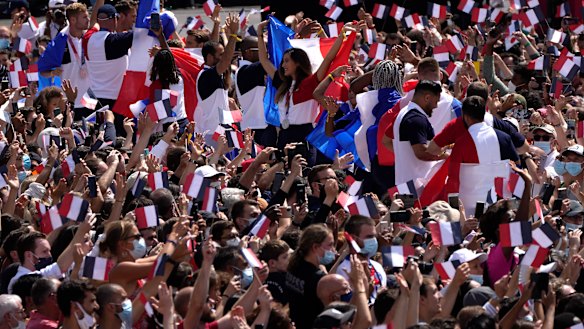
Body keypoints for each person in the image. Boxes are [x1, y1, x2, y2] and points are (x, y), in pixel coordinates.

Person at [257, 20, 354, 164]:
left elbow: (328, 59)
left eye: (286, 61)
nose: (283, 65)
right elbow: (264, 60)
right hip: (283, 136)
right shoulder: (283, 83)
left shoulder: (310, 83)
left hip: (305, 137)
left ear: (298, 63)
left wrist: (341, 36)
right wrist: (259, 34)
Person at [444, 96, 519, 216]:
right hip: (501, 209)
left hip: (469, 213)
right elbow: (516, 168)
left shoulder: (461, 143)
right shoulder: (504, 138)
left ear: (465, 116)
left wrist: (454, 211)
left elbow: (453, 179)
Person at [82, 2, 134, 133]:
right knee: (118, 142)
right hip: (115, 102)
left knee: (96, 140)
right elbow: (141, 34)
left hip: (93, 101)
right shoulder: (115, 41)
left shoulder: (87, 38)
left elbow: (94, 22)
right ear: (115, 19)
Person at [37, 1, 91, 115]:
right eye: (84, 17)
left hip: (91, 100)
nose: (88, 19)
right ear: (73, 20)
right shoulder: (60, 41)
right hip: (70, 103)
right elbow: (42, 70)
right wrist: (52, 73)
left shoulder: (90, 38)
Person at [194, 13, 240, 140]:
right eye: (221, 55)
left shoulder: (217, 75)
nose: (224, 58)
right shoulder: (206, 75)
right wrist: (233, 35)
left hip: (223, 132)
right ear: (209, 57)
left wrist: (237, 120)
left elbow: (216, 49)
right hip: (211, 135)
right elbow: (226, 60)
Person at [393, 80, 447, 185]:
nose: (436, 106)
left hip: (407, 183)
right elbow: (422, 153)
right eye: (436, 101)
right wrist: (445, 156)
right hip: (415, 186)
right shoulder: (416, 119)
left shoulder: (405, 113)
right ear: (427, 98)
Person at [286, 224, 335, 329]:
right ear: (315, 247)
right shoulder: (318, 278)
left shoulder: (294, 265)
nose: (333, 249)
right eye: (330, 245)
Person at [335, 215, 385, 303]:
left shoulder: (377, 266)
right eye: (369, 237)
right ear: (353, 238)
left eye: (374, 236)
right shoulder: (344, 270)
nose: (374, 240)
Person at [235, 36, 271, 146]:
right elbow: (270, 60)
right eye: (263, 49)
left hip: (261, 126)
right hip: (255, 129)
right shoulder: (245, 71)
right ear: (249, 52)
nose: (267, 53)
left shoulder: (253, 70)